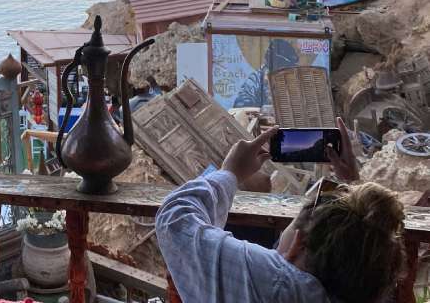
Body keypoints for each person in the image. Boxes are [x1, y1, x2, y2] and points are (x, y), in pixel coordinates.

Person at [156, 117, 405, 303]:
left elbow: (175, 219)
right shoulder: (369, 283)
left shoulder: (274, 286)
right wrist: (350, 186)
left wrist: (230, 171)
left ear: (298, 242)